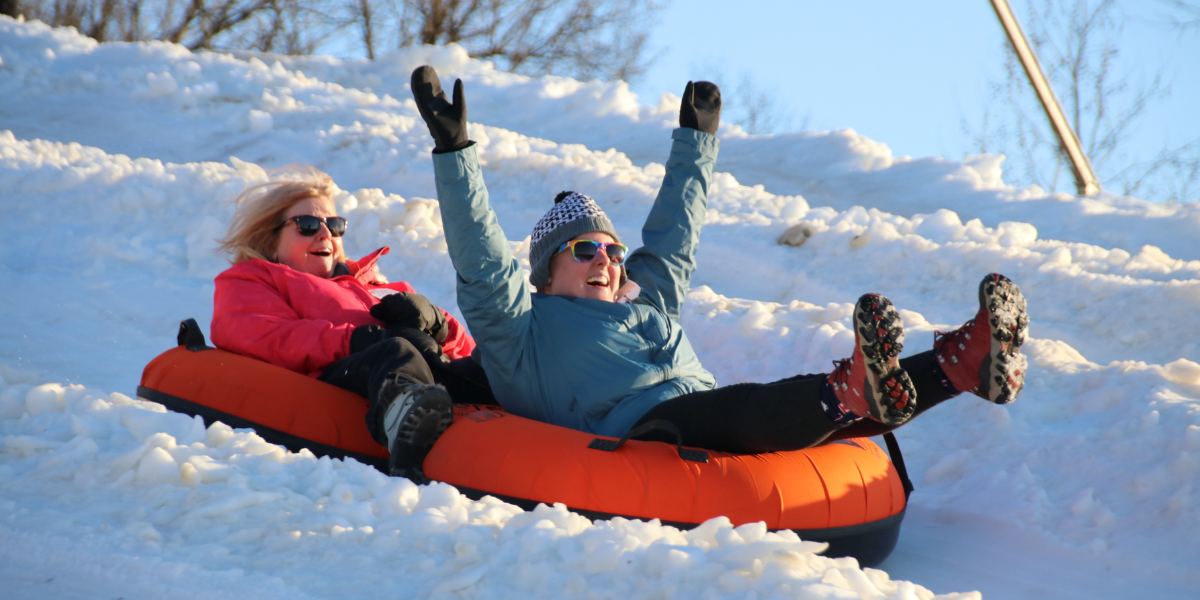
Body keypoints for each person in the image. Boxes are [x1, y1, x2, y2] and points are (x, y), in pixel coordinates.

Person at [408, 65, 1030, 454]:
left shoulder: (643, 302)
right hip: (642, 434)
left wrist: (696, 143)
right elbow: (486, 263)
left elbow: (675, 240)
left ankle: (964, 362)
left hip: (704, 415)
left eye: (613, 250)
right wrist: (455, 150)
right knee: (744, 407)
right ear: (547, 272)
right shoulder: (522, 331)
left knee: (816, 418)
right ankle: (850, 388)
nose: (607, 260)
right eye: (586, 249)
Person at [210, 165, 492, 477]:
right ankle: (409, 432)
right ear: (271, 241)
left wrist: (438, 323)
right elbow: (260, 333)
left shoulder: (379, 285)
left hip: (426, 372)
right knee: (395, 351)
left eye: (334, 225)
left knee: (491, 363)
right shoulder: (255, 278)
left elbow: (464, 350)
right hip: (344, 374)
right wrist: (353, 340)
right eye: (306, 224)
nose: (325, 233)